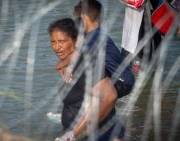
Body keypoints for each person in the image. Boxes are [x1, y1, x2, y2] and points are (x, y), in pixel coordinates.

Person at [48, 1, 134, 140]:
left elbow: (80, 56)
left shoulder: (92, 38)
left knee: (100, 98)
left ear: (84, 17)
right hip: (120, 75)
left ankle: (81, 119)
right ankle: (76, 114)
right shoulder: (97, 35)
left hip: (121, 80)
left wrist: (63, 65)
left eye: (77, 18)